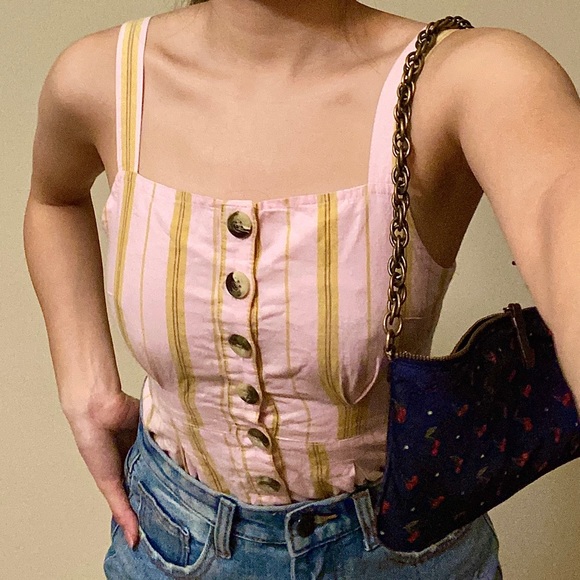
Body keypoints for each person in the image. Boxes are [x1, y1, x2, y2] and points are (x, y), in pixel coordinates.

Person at [23, 0, 580, 578]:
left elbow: (558, 200)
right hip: (165, 541)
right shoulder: (101, 78)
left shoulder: (471, 77)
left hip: (403, 554)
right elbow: (54, 198)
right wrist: (87, 387)